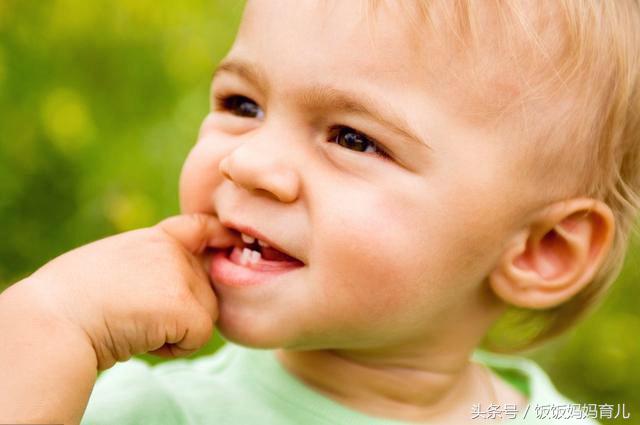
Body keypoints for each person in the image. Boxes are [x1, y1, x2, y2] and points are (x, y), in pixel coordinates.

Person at [1, 1, 638, 424]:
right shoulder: (139, 412)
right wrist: (50, 323)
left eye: (352, 139)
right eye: (242, 104)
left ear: (541, 249)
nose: (247, 164)